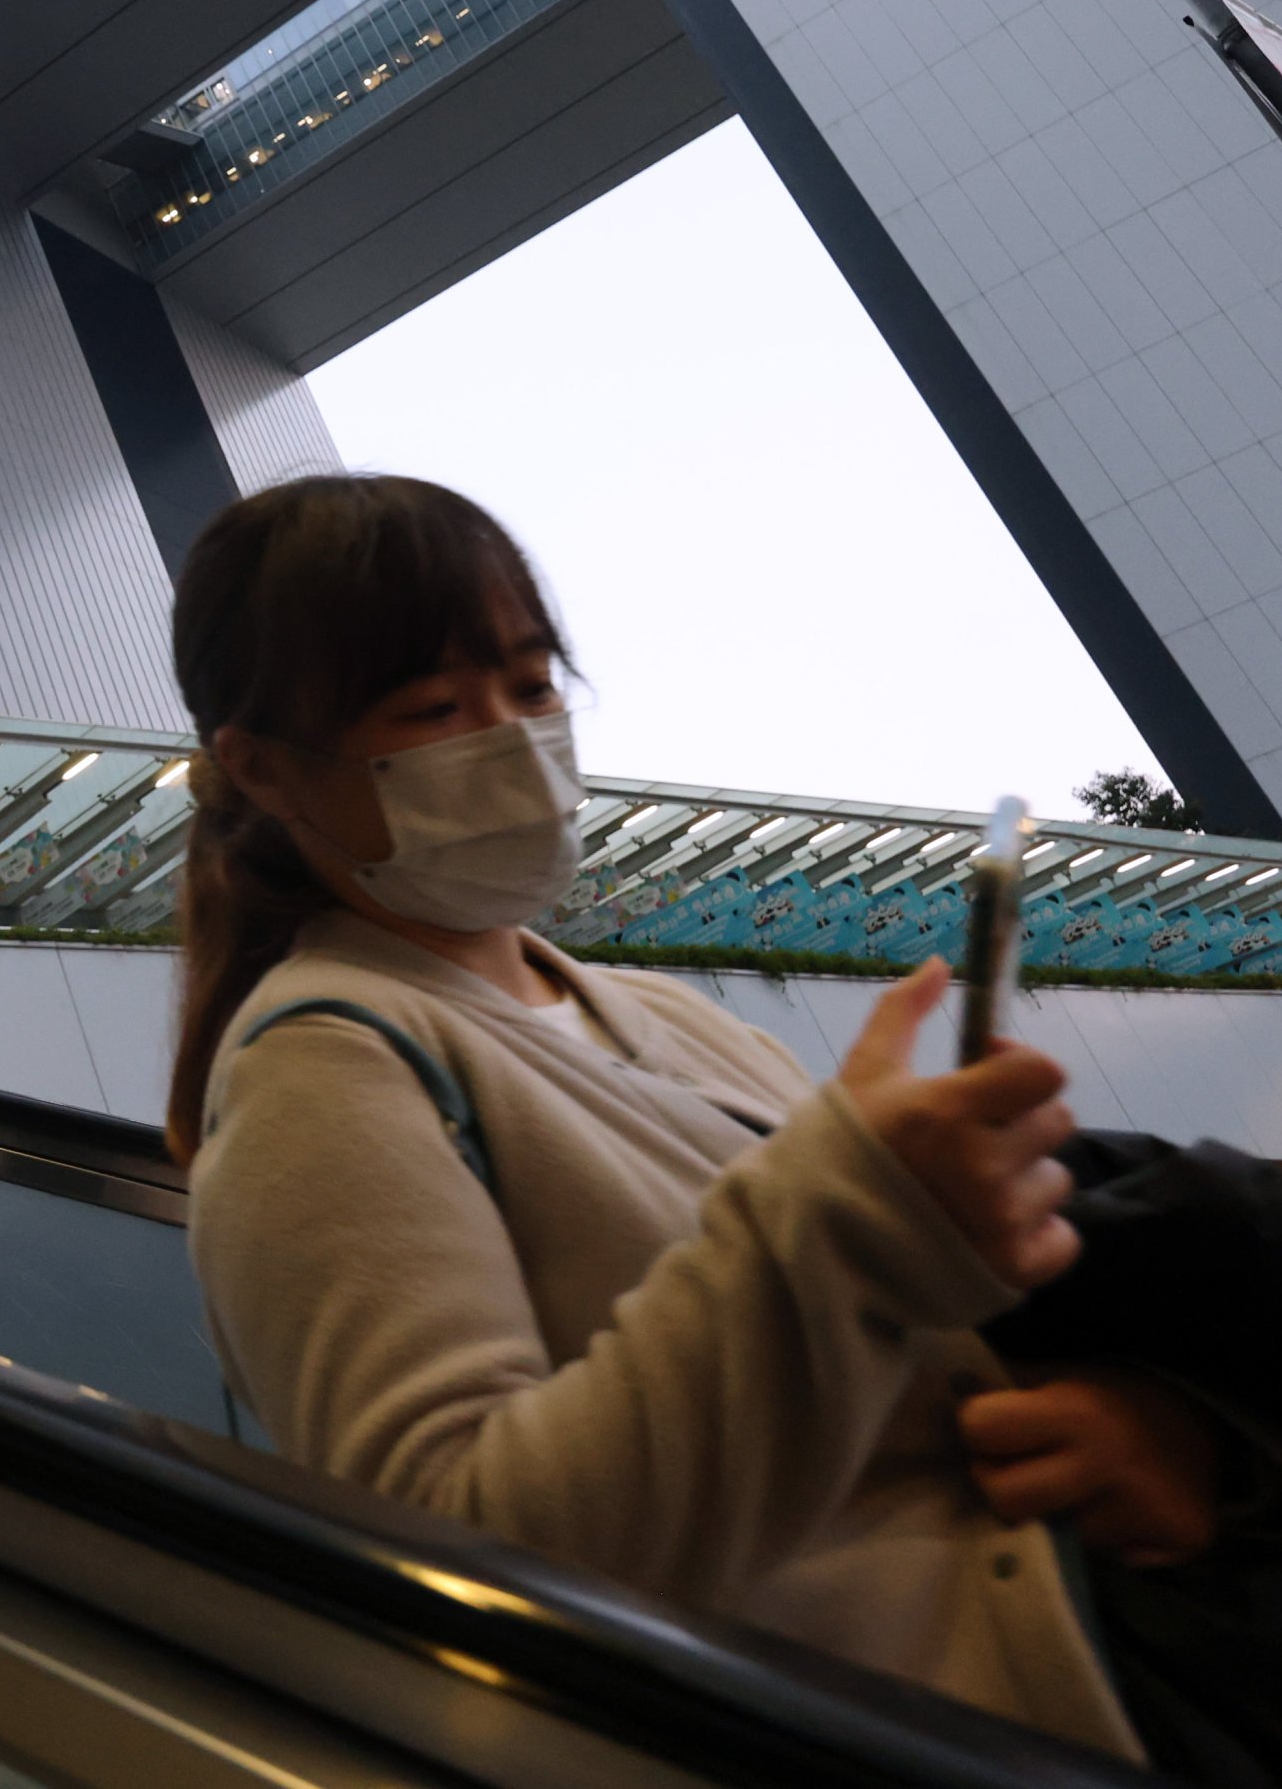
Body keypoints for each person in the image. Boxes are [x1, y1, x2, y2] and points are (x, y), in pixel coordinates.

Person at [170, 474, 1159, 1753]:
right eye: (428, 709)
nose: (510, 737)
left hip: (1086, 1626)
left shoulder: (653, 1008)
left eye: (531, 686)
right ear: (259, 767)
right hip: (914, 1718)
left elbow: (878, 1344)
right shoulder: (319, 1072)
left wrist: (1134, 1433)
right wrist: (854, 1219)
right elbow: (458, 1545)